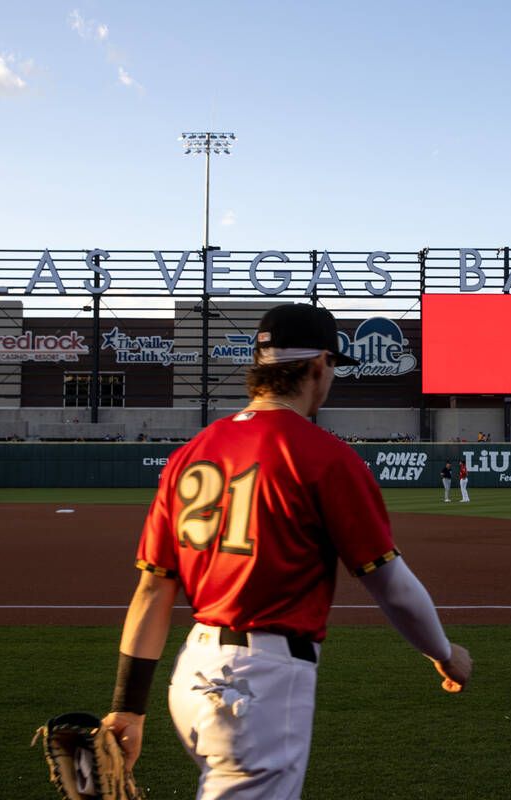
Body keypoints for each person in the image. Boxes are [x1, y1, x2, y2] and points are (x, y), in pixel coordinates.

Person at [100, 303, 472, 799]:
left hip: (190, 674)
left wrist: (128, 705)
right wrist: (444, 654)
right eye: (335, 366)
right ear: (319, 364)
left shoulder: (192, 452)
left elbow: (152, 591)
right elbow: (392, 585)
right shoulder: (324, 456)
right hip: (256, 686)